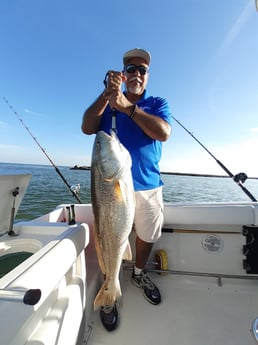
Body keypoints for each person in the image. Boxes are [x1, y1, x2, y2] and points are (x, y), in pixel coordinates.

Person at [81, 48, 172, 331]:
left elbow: (163, 132)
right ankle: (110, 290)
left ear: (147, 76)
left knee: (147, 234)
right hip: (112, 187)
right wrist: (109, 96)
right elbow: (87, 126)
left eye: (141, 70)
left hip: (147, 186)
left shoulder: (156, 103)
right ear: (122, 74)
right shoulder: (108, 103)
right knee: (110, 237)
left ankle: (139, 273)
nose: (136, 74)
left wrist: (128, 108)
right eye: (130, 69)